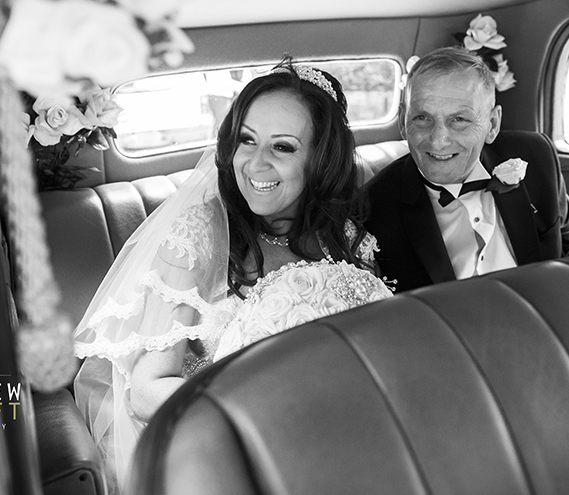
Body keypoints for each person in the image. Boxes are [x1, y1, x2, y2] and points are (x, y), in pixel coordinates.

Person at [73, 60, 393, 494]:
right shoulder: (197, 239)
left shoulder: (345, 237)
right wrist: (257, 414)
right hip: (230, 448)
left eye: (283, 147)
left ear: (321, 158)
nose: (255, 164)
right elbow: (145, 391)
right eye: (247, 140)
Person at [365, 47, 569, 292]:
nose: (438, 141)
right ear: (403, 122)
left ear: (492, 124)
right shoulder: (372, 207)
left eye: (459, 120)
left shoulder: (536, 157)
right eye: (422, 118)